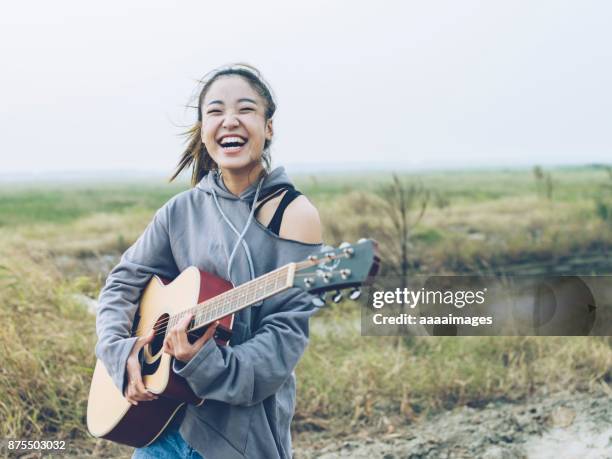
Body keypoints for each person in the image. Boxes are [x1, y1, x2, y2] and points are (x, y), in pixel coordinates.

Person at [94, 63, 323, 459]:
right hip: (160, 428)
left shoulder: (294, 215)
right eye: (215, 111)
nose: (229, 120)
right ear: (203, 129)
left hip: (240, 439)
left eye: (246, 109)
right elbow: (121, 284)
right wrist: (121, 352)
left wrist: (204, 361)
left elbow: (281, 346)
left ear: (268, 127)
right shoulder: (180, 211)